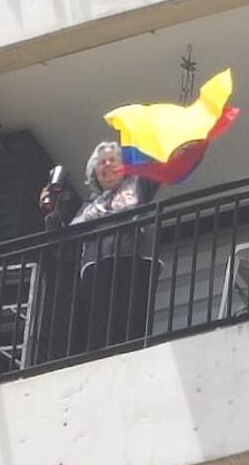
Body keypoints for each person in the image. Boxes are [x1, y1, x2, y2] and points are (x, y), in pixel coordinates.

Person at [40, 141, 160, 356]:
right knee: (100, 329)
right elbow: (64, 251)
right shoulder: (87, 208)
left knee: (130, 323)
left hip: (133, 261)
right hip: (96, 269)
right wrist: (51, 216)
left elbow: (158, 170)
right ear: (94, 173)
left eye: (113, 160)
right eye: (102, 162)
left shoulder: (137, 185)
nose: (107, 165)